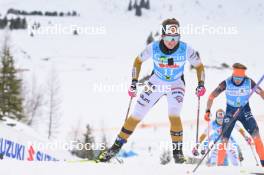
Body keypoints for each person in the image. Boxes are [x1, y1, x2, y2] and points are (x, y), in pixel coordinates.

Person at [97, 18, 206, 163]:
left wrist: (201, 84)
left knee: (174, 114)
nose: (172, 41)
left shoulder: (186, 49)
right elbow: (138, 61)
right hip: (156, 82)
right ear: (162, 35)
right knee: (136, 114)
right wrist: (134, 82)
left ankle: (178, 154)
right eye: (168, 37)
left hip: (176, 84)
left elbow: (199, 66)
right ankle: (114, 149)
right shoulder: (153, 48)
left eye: (175, 37)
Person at [204, 63, 264, 166]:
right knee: (224, 138)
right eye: (235, 77)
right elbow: (211, 96)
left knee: (256, 136)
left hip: (245, 112)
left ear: (244, 76)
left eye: (240, 78)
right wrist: (208, 110)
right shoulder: (226, 83)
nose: (237, 80)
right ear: (232, 74)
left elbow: (262, 93)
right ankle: (220, 165)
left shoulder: (249, 82)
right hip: (230, 113)